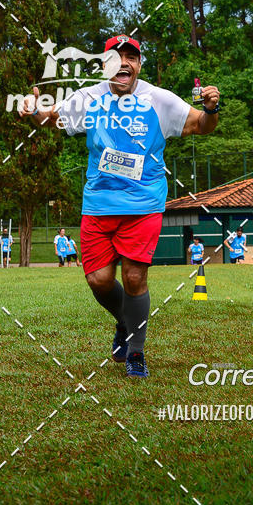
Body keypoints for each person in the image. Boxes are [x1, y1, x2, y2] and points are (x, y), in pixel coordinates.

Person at [20, 33, 220, 378]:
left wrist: (211, 108)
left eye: (131, 57)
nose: (124, 62)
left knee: (133, 276)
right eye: (116, 56)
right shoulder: (88, 98)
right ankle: (125, 323)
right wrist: (32, 110)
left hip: (144, 203)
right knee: (98, 280)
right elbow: (51, 119)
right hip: (98, 202)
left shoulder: (159, 100)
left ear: (139, 65)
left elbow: (200, 126)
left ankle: (136, 353)